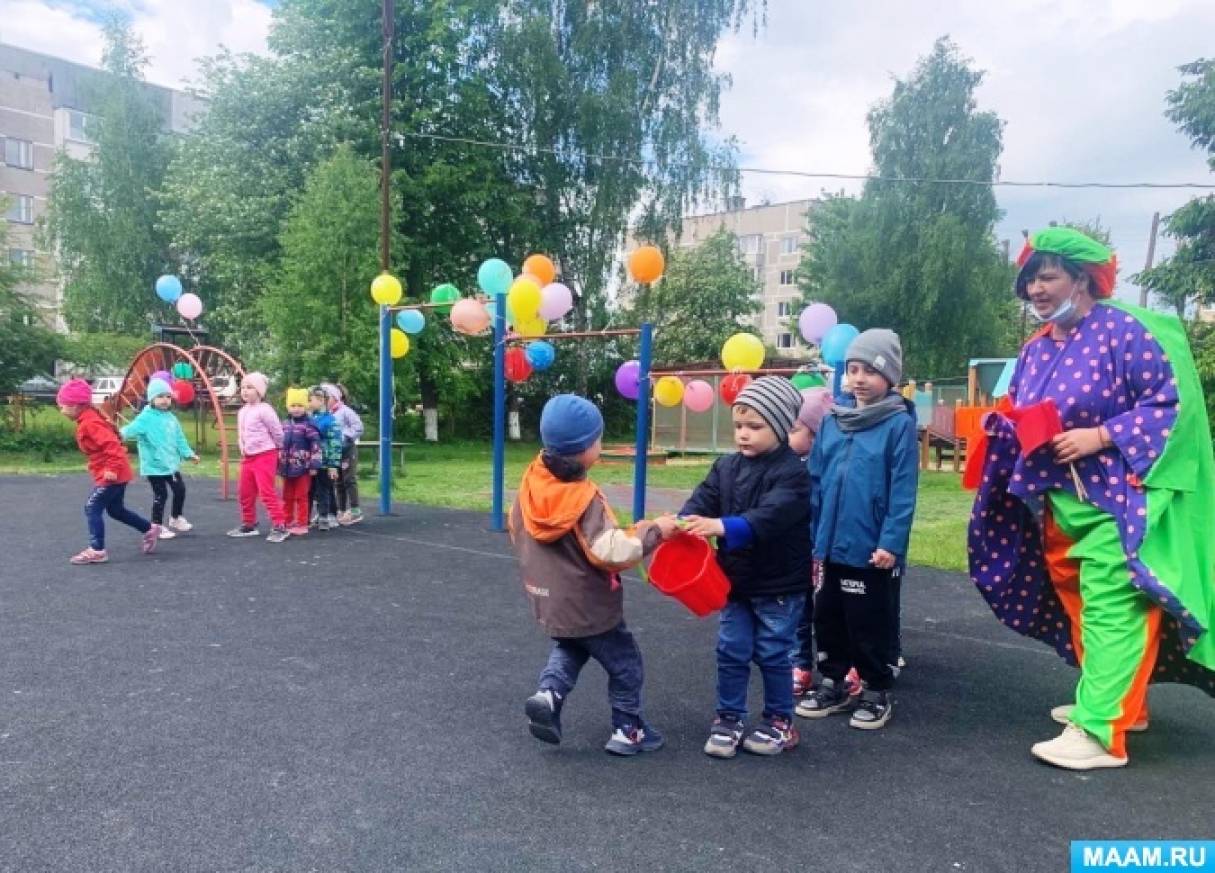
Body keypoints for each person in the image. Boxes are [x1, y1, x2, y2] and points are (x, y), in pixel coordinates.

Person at [967, 227, 1215, 770]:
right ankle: (1125, 705)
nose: (1035, 288)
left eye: (1047, 275)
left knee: (1113, 604)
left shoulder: (1126, 330)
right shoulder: (1037, 347)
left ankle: (1101, 730)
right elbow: (1027, 407)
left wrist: (1100, 436)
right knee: (1080, 602)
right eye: (1029, 278)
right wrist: (1004, 424)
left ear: (1082, 278)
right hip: (1057, 503)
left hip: (1118, 500)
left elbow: (1170, 404)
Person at [511, 394, 679, 756]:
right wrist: (654, 531)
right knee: (625, 661)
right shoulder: (581, 498)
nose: (600, 445)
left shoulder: (530, 485)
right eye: (598, 439)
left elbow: (517, 532)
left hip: (549, 599)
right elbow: (609, 551)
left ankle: (549, 694)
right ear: (585, 448)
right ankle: (627, 729)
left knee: (570, 646)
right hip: (589, 604)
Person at [679, 376, 812, 758]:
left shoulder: (793, 474)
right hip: (735, 581)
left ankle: (779, 722)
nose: (743, 434)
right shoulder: (726, 467)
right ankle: (729, 717)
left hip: (778, 585)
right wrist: (684, 520)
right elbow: (703, 499)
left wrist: (720, 526)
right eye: (739, 426)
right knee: (732, 649)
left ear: (782, 425)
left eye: (755, 427)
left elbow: (770, 516)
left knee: (773, 652)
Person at [797, 329, 918, 731]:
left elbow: (902, 491)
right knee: (827, 616)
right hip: (829, 543)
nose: (860, 378)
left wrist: (891, 543)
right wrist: (811, 532)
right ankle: (832, 681)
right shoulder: (833, 421)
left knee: (869, 620)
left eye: (870, 370)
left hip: (869, 546)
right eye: (853, 369)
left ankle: (875, 689)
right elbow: (815, 478)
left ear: (890, 377)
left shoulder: (897, 424)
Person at [785, 386, 848, 698]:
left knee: (828, 612)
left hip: (822, 551)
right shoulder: (785, 465)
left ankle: (840, 666)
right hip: (796, 552)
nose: (786, 436)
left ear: (815, 434)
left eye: (794, 430)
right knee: (798, 610)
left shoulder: (824, 469)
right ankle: (799, 664)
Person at [56, 378, 160, 564]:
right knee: (115, 510)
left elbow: (113, 446)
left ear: (75, 406)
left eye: (63, 406)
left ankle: (97, 550)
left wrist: (111, 468)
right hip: (115, 473)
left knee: (92, 507)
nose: (61, 410)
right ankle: (149, 529)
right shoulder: (87, 419)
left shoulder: (90, 423)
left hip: (113, 474)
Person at [120, 378, 199, 539]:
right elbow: (131, 429)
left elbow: (179, 438)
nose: (165, 400)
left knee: (180, 490)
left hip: (170, 464)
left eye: (168, 397)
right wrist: (118, 435)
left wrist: (189, 453)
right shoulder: (146, 417)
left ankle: (176, 518)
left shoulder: (171, 418)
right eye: (160, 396)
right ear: (152, 399)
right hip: (154, 466)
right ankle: (157, 526)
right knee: (161, 495)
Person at [227, 372, 289, 543]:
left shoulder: (265, 409)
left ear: (260, 391)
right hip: (248, 456)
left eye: (250, 387)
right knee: (244, 492)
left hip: (265, 454)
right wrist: (242, 446)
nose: (245, 391)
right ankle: (249, 524)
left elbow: (277, 431)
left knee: (266, 491)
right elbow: (241, 433)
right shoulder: (242, 411)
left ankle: (279, 525)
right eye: (243, 388)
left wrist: (279, 448)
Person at [279, 388, 322, 537]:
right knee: (287, 495)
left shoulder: (309, 424)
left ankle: (302, 522)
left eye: (299, 405)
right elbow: (279, 443)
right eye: (293, 405)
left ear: (305, 407)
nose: (296, 409)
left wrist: (314, 465)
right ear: (288, 407)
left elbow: (316, 445)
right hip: (286, 466)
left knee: (301, 496)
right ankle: (287, 520)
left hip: (303, 467)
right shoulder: (284, 424)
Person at [323, 383, 365, 526]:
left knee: (349, 479)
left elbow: (358, 427)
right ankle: (341, 510)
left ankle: (355, 510)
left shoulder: (345, 411)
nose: (324, 401)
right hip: (335, 453)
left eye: (327, 398)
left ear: (335, 398)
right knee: (338, 482)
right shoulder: (327, 414)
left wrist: (345, 436)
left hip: (347, 450)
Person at [308, 386, 342, 530]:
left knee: (325, 489)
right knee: (313, 490)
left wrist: (333, 464)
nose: (307, 402)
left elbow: (335, 443)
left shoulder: (330, 420)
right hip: (311, 463)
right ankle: (320, 513)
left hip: (324, 462)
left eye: (310, 400)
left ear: (321, 400)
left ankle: (330, 514)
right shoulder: (310, 418)